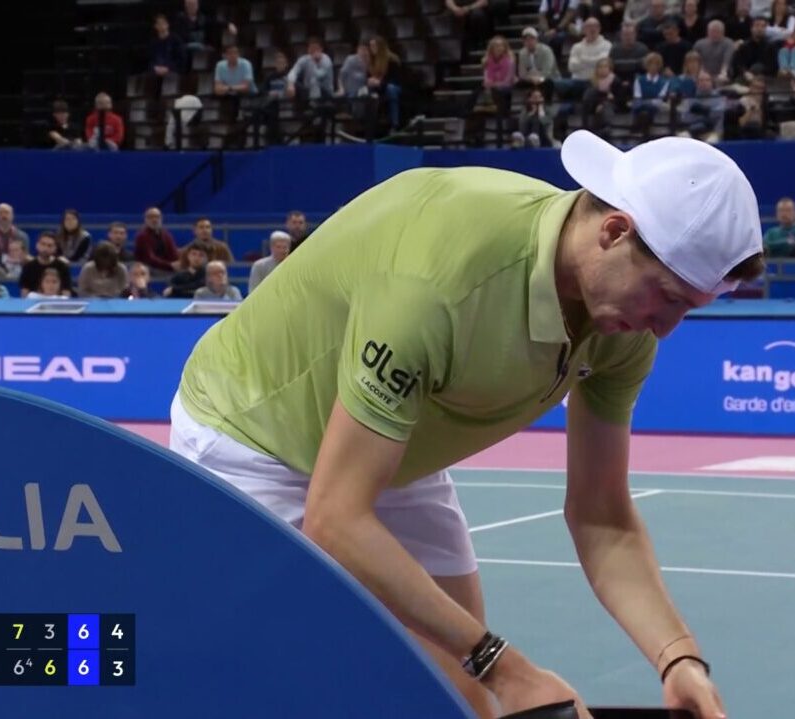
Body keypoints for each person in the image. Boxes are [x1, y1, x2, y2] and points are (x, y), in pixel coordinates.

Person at [172, 131, 764, 719]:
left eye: (687, 308)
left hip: (392, 441)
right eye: (667, 298)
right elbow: (336, 519)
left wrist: (679, 660)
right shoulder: (433, 286)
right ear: (614, 232)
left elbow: (601, 515)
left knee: (468, 702)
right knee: (286, 688)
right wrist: (507, 668)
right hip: (252, 439)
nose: (665, 329)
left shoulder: (623, 324)